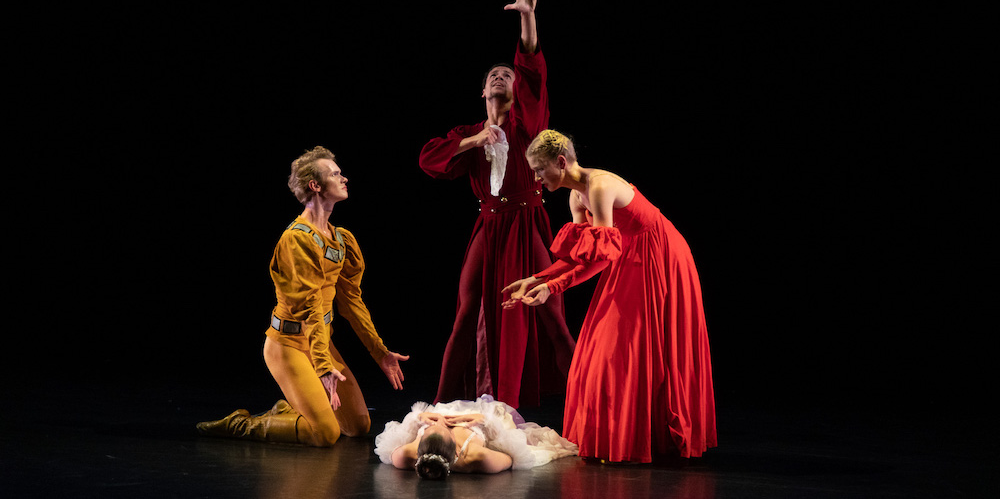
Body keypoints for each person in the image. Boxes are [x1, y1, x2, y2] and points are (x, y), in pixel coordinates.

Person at [502, 130, 717, 462]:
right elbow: (580, 257)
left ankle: (635, 440)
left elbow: (602, 259)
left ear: (560, 162)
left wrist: (552, 288)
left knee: (625, 351)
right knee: (597, 354)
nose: (536, 178)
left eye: (539, 170)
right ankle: (617, 438)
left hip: (659, 255)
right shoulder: (576, 198)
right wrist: (536, 279)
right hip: (629, 256)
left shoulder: (598, 187)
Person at [418, 0, 575, 409]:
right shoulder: (468, 133)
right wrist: (475, 139)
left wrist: (528, 19)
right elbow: (430, 159)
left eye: (507, 74)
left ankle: (587, 399)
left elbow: (532, 71)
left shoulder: (529, 127)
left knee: (551, 312)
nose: (501, 77)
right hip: (488, 227)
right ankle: (445, 405)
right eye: (494, 75)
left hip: (528, 224)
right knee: (468, 311)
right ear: (483, 89)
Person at [197, 146, 410, 446]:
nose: (344, 178)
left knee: (358, 426)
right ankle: (242, 424)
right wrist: (324, 367)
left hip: (319, 340)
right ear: (315, 185)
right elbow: (310, 307)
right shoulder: (296, 240)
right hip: (287, 345)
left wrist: (380, 352)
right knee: (325, 434)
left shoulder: (341, 239)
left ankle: (291, 408)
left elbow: (352, 303)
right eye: (335, 174)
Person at [374, 395, 578, 478]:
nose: (443, 422)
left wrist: (421, 418)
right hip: (481, 421)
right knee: (498, 412)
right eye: (439, 426)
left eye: (432, 427)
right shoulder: (477, 458)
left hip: (466, 419)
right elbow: (513, 454)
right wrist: (483, 421)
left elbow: (400, 433)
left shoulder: (404, 456)